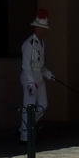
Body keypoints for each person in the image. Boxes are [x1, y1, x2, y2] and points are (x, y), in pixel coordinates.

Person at [19, 9, 53, 141]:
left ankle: (28, 125)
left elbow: (40, 65)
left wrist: (48, 73)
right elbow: (26, 66)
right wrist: (31, 83)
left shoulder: (41, 43)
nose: (43, 30)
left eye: (44, 28)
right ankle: (25, 135)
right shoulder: (28, 44)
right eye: (41, 28)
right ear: (36, 28)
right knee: (29, 106)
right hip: (29, 77)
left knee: (43, 105)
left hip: (39, 75)